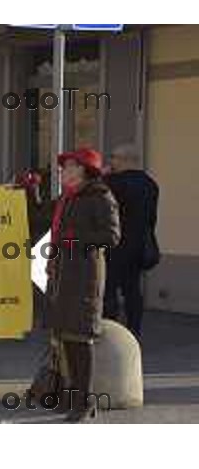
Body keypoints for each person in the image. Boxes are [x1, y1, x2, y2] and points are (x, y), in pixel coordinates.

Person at [45, 148, 120, 422]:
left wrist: (76, 238)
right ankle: (72, 397)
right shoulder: (68, 198)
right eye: (64, 166)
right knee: (66, 337)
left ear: (84, 170)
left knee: (81, 339)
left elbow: (112, 236)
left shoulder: (100, 197)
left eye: (69, 166)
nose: (63, 170)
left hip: (84, 276)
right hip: (64, 275)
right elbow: (42, 217)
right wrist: (27, 193)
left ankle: (84, 401)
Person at [103, 144, 159, 338]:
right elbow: (151, 218)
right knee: (132, 290)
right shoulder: (150, 184)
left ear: (126, 160)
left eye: (114, 157)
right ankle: (134, 330)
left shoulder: (112, 182)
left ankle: (111, 332)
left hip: (115, 246)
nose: (110, 161)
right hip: (139, 246)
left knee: (109, 290)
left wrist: (103, 175)